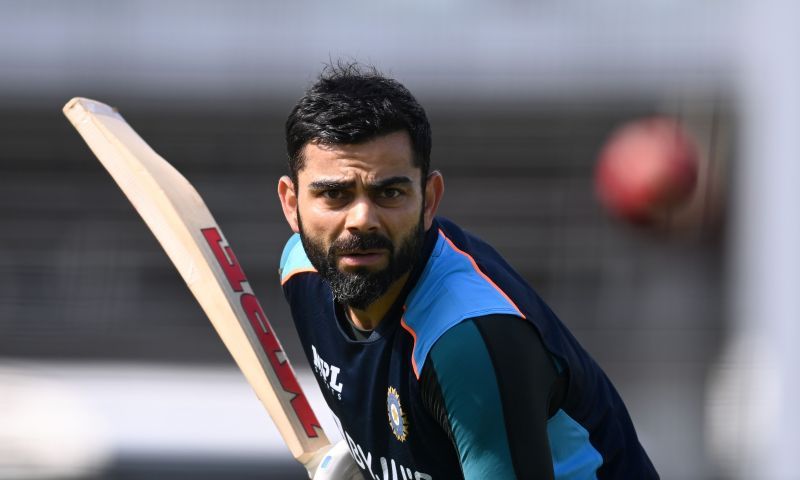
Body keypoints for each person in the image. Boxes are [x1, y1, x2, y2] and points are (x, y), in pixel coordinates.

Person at [276, 62, 659, 479]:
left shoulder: (467, 341)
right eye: (334, 194)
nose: (362, 219)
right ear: (292, 204)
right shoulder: (304, 273)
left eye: (390, 192)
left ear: (430, 199)